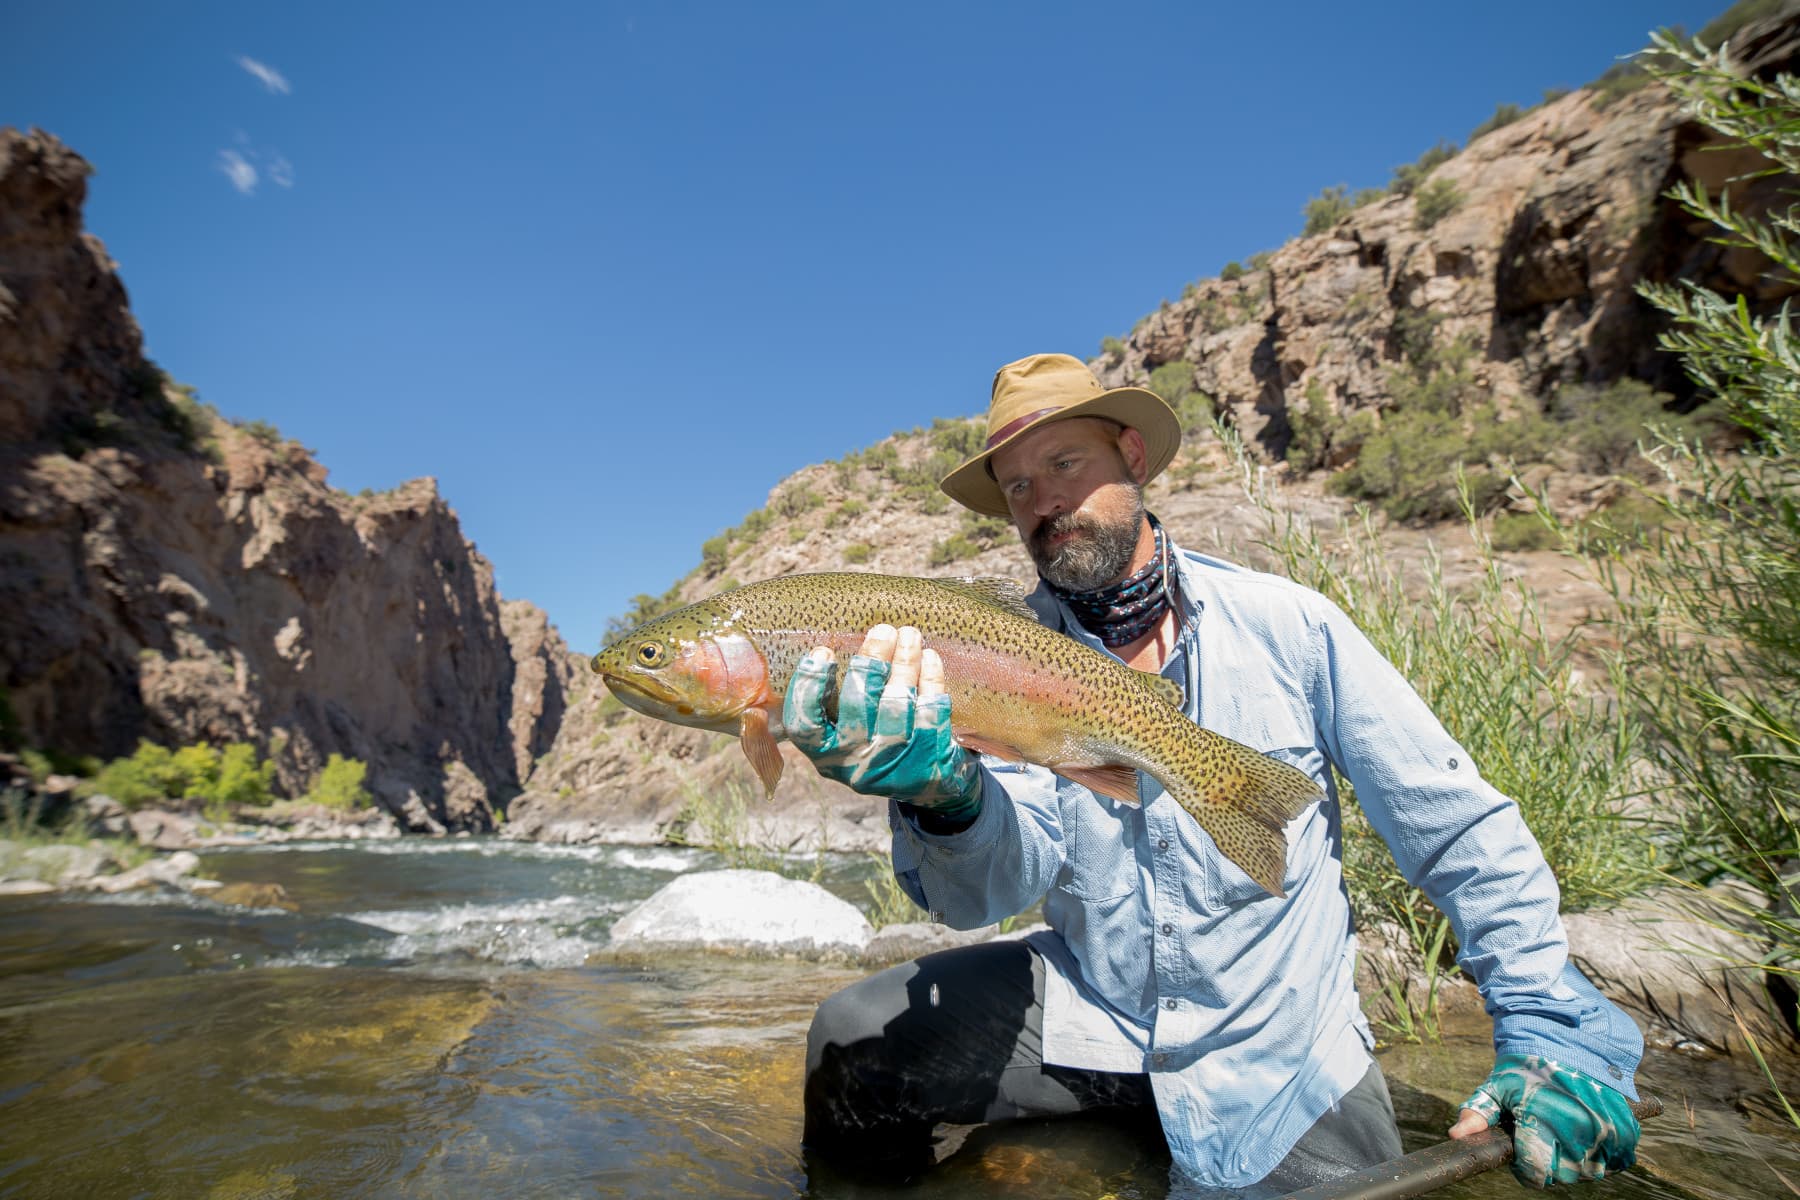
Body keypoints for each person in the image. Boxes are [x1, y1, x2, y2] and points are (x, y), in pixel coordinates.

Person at [786, 352, 1644, 1194]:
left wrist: (1547, 1024)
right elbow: (993, 891)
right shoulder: (1001, 659)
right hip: (1100, 1014)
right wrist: (946, 798)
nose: (1042, 501)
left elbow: (1456, 827)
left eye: (1064, 463)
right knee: (851, 1038)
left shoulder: (1290, 627)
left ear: (1131, 455)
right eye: (1016, 486)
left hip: (1276, 1049)